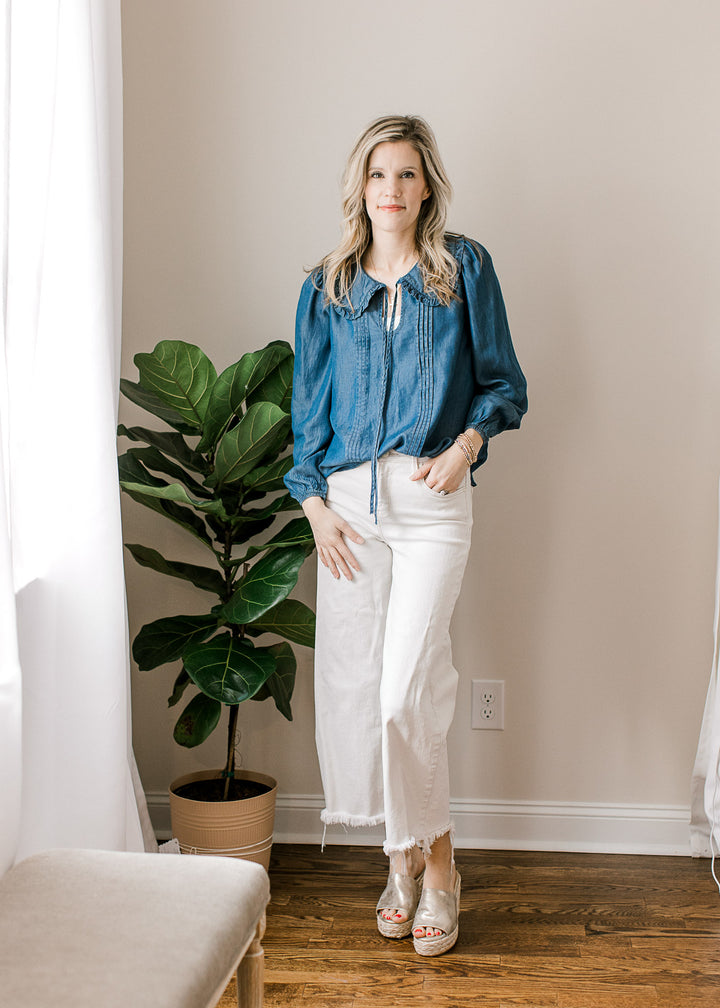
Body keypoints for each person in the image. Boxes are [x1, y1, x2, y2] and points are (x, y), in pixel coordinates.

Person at [284, 114, 527, 956]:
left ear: (428, 189)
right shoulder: (327, 287)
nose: (391, 189)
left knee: (403, 693)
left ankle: (441, 866)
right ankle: (403, 862)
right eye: (379, 174)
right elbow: (308, 410)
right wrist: (314, 507)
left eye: (407, 175)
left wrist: (467, 446)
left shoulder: (463, 269)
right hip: (347, 511)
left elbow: (504, 384)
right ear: (362, 186)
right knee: (362, 695)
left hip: (431, 505)